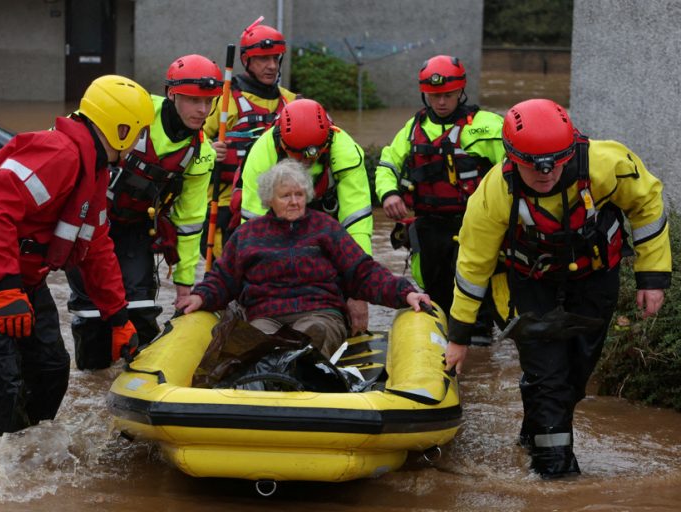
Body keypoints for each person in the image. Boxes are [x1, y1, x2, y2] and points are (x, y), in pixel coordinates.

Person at [0, 75, 154, 446]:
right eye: (140, 132)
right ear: (121, 128)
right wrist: (8, 290)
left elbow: (97, 248)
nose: (141, 142)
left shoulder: (94, 169)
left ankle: (29, 449)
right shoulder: (58, 154)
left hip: (16, 271)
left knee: (51, 367)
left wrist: (118, 317)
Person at [445, 99, 671, 478]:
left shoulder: (605, 163)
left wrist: (652, 276)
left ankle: (534, 431)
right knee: (549, 376)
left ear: (570, 152)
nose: (545, 174)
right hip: (528, 285)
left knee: (574, 377)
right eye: (533, 166)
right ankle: (555, 475)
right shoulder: (493, 195)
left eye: (554, 162)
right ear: (513, 158)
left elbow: (647, 204)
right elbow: (472, 265)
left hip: (594, 279)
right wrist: (459, 335)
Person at [177, 160, 431, 358]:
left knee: (312, 332)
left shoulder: (326, 228)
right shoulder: (248, 234)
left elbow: (363, 272)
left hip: (319, 313)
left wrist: (405, 293)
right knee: (257, 336)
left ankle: (300, 373)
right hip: (266, 315)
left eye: (299, 195)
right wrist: (200, 296)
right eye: (286, 196)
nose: (294, 201)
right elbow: (223, 277)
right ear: (269, 200)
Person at [66, 55, 222, 370]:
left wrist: (183, 283)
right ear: (172, 93)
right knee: (92, 311)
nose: (203, 111)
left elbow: (189, 222)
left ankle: (138, 380)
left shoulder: (201, 154)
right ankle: (92, 381)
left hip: (135, 228)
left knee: (140, 308)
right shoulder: (136, 107)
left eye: (209, 102)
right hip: (87, 223)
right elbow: (77, 126)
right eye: (194, 100)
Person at [374, 55, 505, 345]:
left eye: (447, 95)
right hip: (429, 227)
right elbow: (387, 165)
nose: (441, 102)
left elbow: (512, 173)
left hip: (475, 226)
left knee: (475, 297)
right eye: (434, 96)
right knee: (437, 297)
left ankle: (479, 352)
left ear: (461, 91)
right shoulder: (412, 129)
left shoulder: (489, 127)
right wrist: (389, 193)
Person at [238, 98, 374, 335]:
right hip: (277, 222)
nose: (303, 165)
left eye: (309, 158)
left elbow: (357, 224)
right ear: (282, 144)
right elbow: (253, 231)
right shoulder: (261, 155)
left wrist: (358, 292)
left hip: (326, 219)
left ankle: (325, 317)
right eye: (297, 158)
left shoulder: (345, 152)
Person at [203, 17, 298, 255]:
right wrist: (210, 148)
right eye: (263, 59)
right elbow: (194, 137)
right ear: (247, 61)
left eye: (275, 58)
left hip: (278, 203)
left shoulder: (290, 102)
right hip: (225, 202)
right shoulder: (226, 99)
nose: (272, 66)